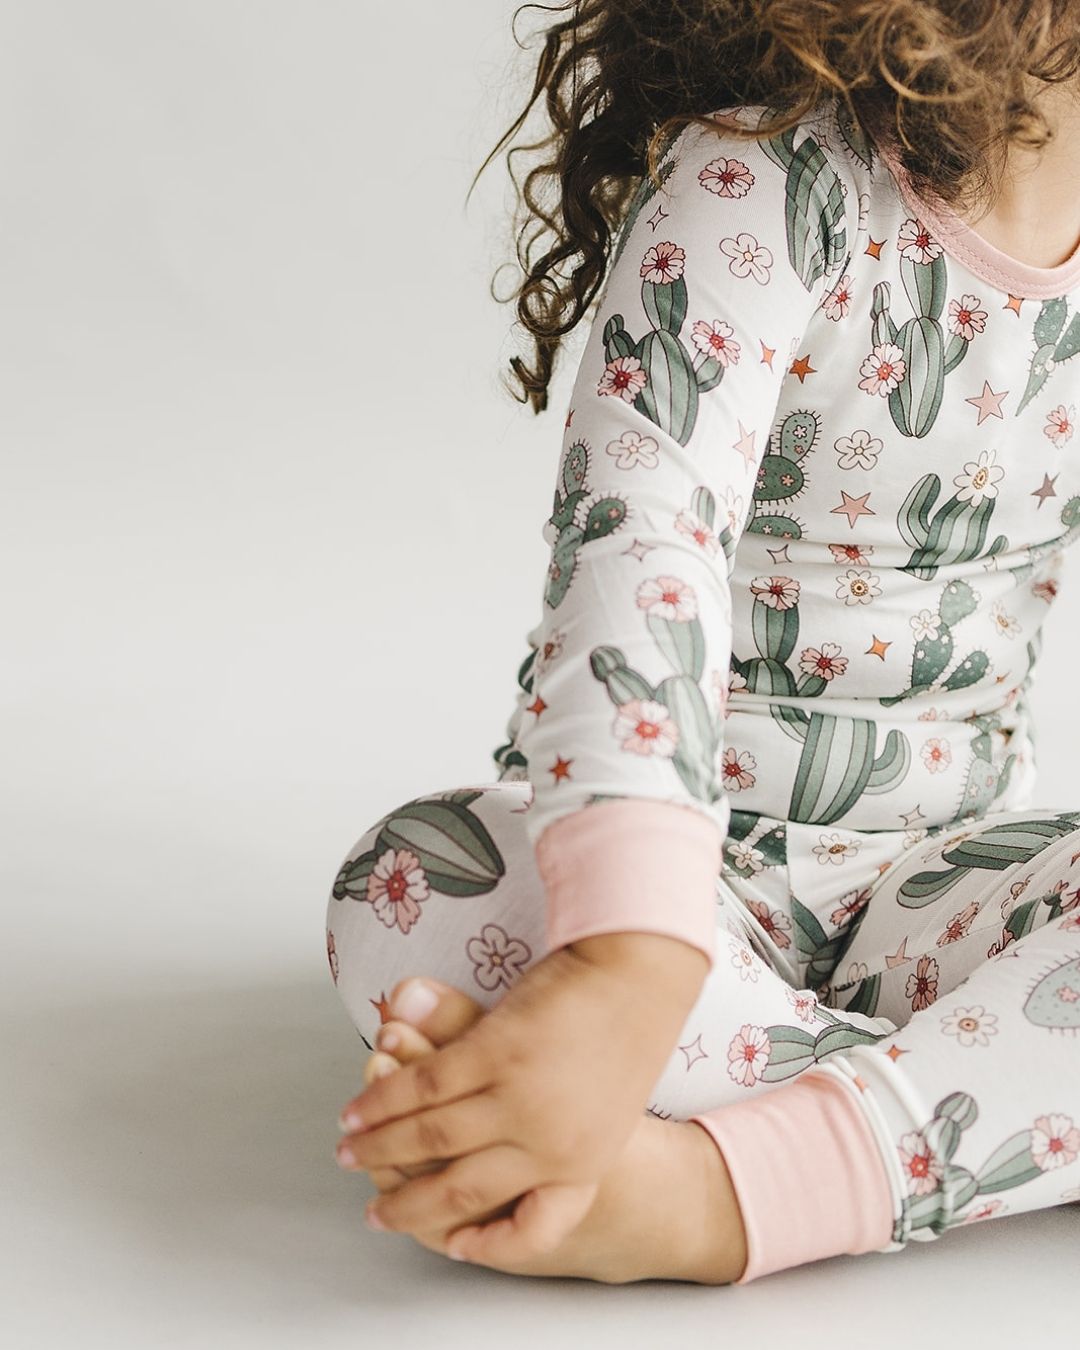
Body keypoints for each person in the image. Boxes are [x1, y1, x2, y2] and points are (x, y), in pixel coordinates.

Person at [325, 1, 1080, 1283]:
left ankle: (709, 1184)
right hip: (677, 883)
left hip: (939, 886)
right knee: (414, 888)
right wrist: (628, 962)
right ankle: (979, 1112)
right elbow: (642, 532)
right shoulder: (767, 177)